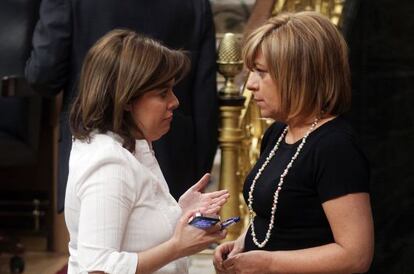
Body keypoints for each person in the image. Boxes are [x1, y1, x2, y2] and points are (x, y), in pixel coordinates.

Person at [213, 11, 374, 274]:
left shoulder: (335, 148)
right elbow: (279, 219)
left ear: (299, 75)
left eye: (261, 72)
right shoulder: (278, 132)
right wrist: (243, 244)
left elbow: (355, 256)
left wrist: (268, 263)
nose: (251, 84)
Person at [25, 0, 218, 213]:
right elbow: (204, 95)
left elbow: (43, 75)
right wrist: (201, 172)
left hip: (91, 141)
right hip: (173, 154)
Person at [65, 29, 228, 274]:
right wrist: (178, 247)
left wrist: (178, 212)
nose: (174, 102)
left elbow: (135, 225)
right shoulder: (109, 164)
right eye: (162, 93)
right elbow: (98, 268)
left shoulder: (132, 143)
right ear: (126, 99)